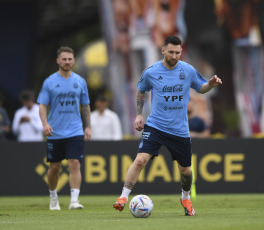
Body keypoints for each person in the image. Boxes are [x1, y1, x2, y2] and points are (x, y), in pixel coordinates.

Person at [112, 36, 222, 216]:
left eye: (177, 52)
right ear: (163, 50)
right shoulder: (151, 72)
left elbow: (200, 88)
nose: (174, 55)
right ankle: (123, 197)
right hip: (155, 126)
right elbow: (141, 90)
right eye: (171, 52)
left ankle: (185, 197)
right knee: (140, 160)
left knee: (185, 170)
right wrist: (139, 114)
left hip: (179, 130)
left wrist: (210, 84)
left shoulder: (187, 70)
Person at [37, 46, 91, 211]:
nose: (67, 62)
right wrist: (45, 124)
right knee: (55, 167)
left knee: (75, 163)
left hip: (75, 130)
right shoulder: (49, 82)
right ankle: (53, 197)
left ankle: (74, 201)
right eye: (64, 59)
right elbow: (42, 106)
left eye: (70, 59)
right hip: (55, 131)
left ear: (73, 60)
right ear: (58, 61)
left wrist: (87, 126)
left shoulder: (80, 81)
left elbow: (85, 106)